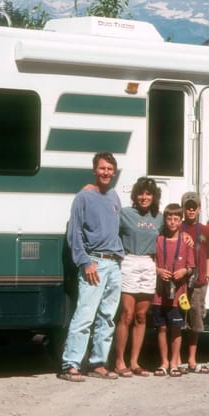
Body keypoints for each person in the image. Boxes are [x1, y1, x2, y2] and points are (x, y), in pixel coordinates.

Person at [58, 152, 124, 382]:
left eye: (110, 169)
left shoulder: (114, 197)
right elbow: (74, 233)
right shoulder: (83, 197)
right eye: (102, 168)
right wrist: (86, 262)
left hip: (114, 264)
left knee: (107, 316)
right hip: (94, 263)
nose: (106, 173)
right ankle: (70, 364)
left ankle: (98, 363)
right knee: (85, 315)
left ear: (114, 173)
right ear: (94, 171)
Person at [113, 177, 163, 378]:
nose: (144, 197)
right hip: (129, 261)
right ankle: (119, 361)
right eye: (141, 193)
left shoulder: (159, 217)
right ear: (135, 195)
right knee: (127, 314)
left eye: (148, 194)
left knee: (142, 317)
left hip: (149, 264)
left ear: (154, 197)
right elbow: (111, 234)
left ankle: (134, 362)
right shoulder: (125, 213)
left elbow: (173, 232)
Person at [151, 203, 194, 378]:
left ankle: (175, 361)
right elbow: (152, 261)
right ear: (165, 219)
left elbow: (191, 266)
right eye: (169, 218)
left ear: (181, 220)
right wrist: (158, 271)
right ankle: (164, 362)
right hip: (159, 293)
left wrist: (184, 271)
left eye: (176, 219)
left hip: (178, 293)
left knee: (176, 328)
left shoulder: (185, 241)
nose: (172, 222)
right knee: (161, 328)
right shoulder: (159, 240)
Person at [180, 191, 209, 374]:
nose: (191, 209)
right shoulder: (177, 228)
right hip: (179, 283)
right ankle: (176, 360)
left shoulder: (205, 231)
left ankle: (192, 360)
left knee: (195, 321)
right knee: (178, 321)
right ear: (183, 209)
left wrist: (208, 277)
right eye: (188, 206)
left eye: (194, 207)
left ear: (199, 209)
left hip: (199, 283)